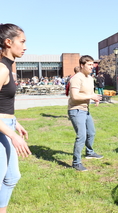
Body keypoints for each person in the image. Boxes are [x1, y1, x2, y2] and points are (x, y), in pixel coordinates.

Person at [0, 23, 32, 212]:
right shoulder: (2, 69)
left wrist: (15, 123)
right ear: (8, 42)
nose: (25, 46)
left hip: (7, 124)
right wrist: (12, 135)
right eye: (23, 41)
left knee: (12, 177)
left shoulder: (8, 68)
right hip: (2, 129)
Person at [68, 55, 103, 171]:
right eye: (89, 65)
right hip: (76, 110)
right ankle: (76, 162)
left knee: (91, 132)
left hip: (85, 109)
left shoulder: (89, 78)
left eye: (92, 65)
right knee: (81, 136)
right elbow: (74, 96)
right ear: (82, 65)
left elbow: (89, 93)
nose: (91, 67)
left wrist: (95, 98)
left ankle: (90, 152)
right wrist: (91, 96)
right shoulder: (77, 78)